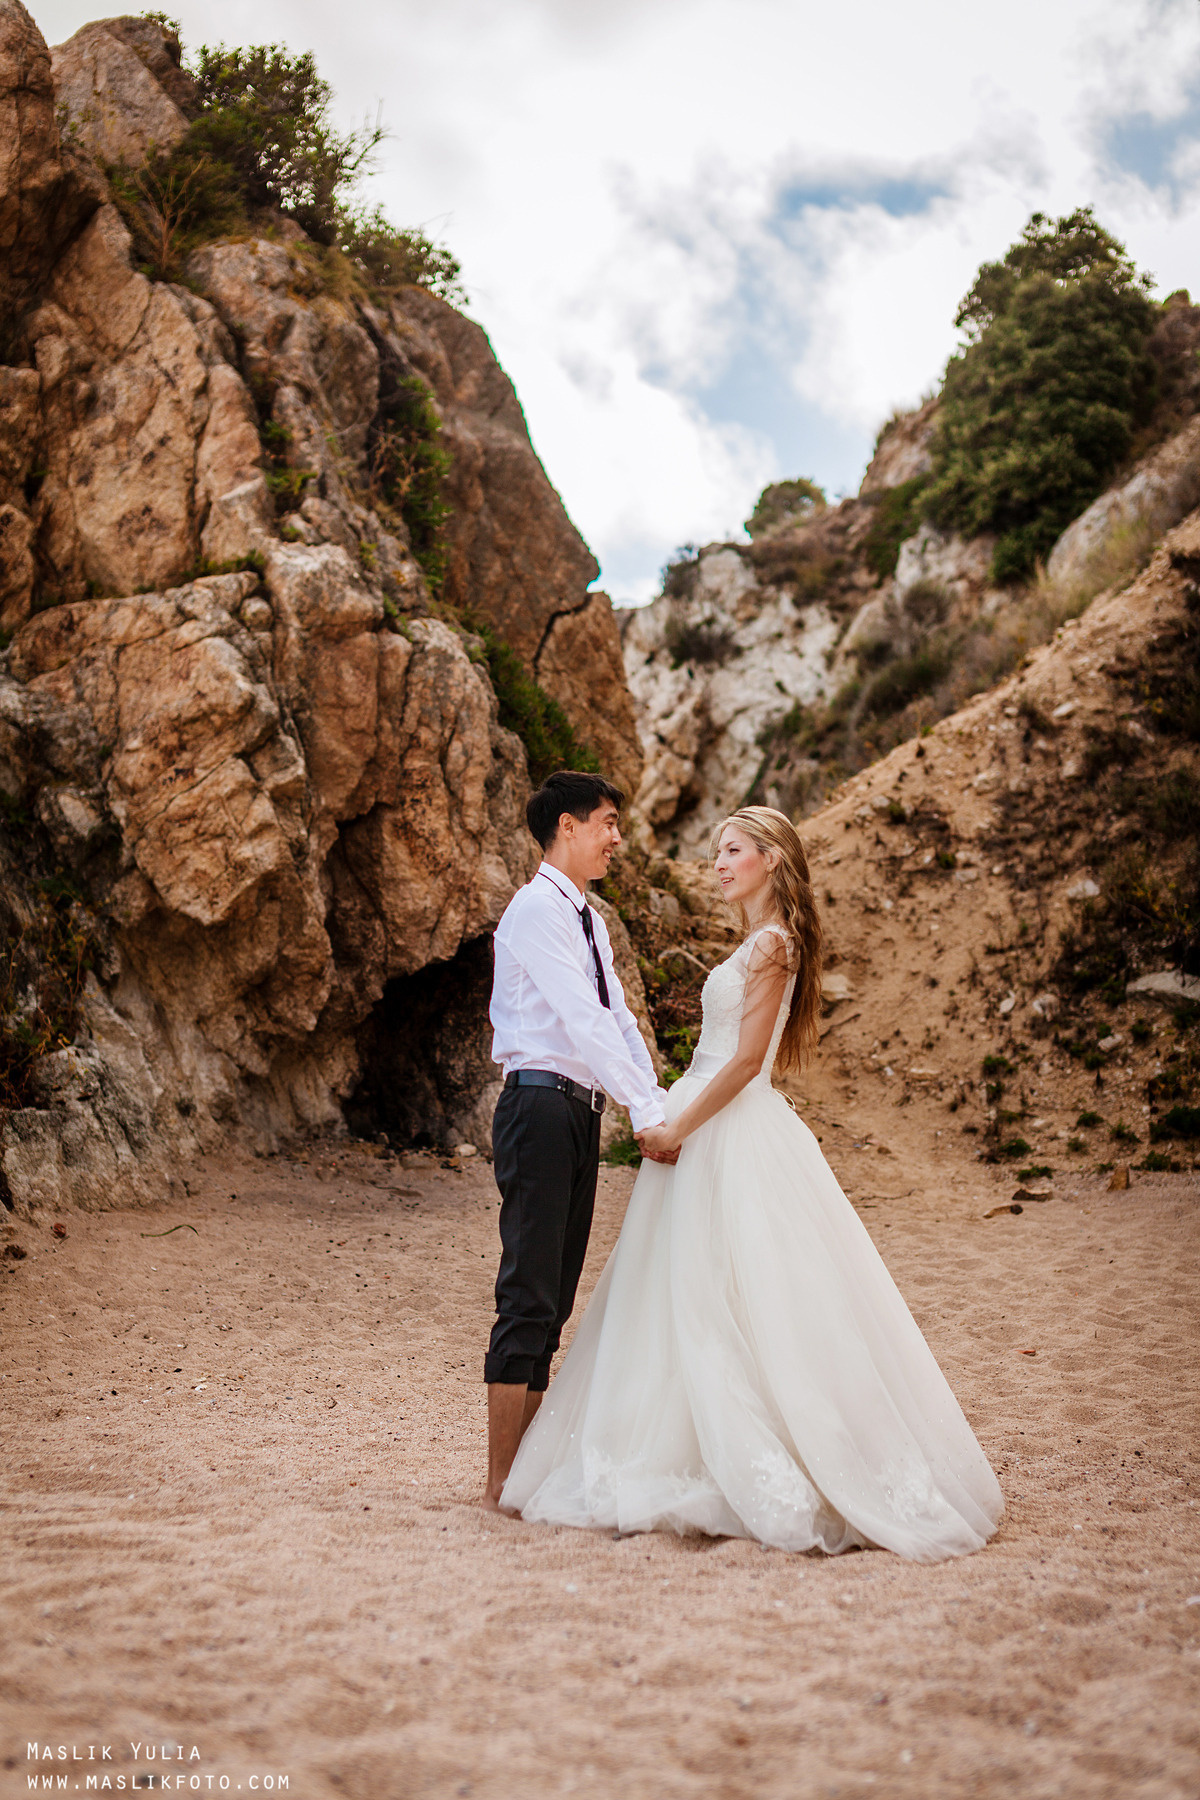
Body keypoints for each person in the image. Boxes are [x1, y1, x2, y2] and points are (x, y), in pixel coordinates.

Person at [500, 805, 1004, 1560]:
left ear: (771, 858)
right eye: (716, 852)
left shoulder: (774, 945)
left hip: (724, 1124)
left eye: (733, 850)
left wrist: (675, 1124)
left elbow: (743, 1063)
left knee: (739, 1293)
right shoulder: (755, 943)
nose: (720, 863)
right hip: (701, 1118)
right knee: (690, 1295)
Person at [482, 770, 672, 1511]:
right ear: (568, 825)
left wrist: (650, 1105)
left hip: (578, 1112)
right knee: (527, 1293)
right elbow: (580, 1021)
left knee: (555, 1299)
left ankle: (525, 1478)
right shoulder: (535, 910)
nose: (617, 838)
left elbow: (619, 1020)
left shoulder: (588, 918)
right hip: (537, 1108)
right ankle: (499, 1483)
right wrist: (642, 1110)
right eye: (608, 823)